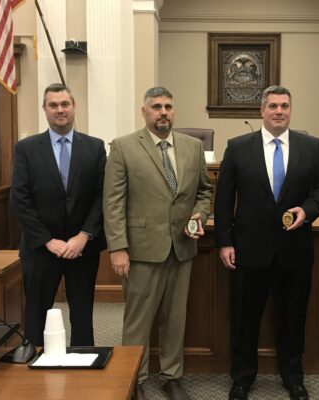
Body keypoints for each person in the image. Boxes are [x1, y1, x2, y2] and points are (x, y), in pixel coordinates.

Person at [215, 86, 319, 400]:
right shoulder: (239, 147)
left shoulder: (311, 146)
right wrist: (225, 242)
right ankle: (242, 378)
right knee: (245, 319)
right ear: (262, 111)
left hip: (294, 251)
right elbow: (224, 199)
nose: (279, 111)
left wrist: (307, 210)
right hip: (248, 250)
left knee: (293, 318)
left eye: (284, 106)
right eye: (272, 106)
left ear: (290, 110)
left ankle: (293, 377)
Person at [103, 87, 212, 400]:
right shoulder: (123, 147)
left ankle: (171, 376)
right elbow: (113, 202)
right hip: (140, 250)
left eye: (168, 106)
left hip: (182, 246)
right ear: (144, 112)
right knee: (138, 321)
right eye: (156, 107)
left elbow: (204, 191)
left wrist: (198, 215)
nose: (163, 112)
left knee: (175, 318)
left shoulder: (193, 147)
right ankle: (133, 378)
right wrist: (118, 248)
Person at [10, 83, 106, 346]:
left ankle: (83, 367)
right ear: (44, 109)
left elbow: (102, 197)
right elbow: (19, 199)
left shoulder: (95, 148)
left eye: (65, 104)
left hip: (82, 248)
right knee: (36, 314)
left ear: (74, 107)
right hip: (41, 249)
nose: (60, 110)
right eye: (53, 105)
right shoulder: (26, 149)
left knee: (83, 314)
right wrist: (47, 240)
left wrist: (84, 236)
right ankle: (33, 370)